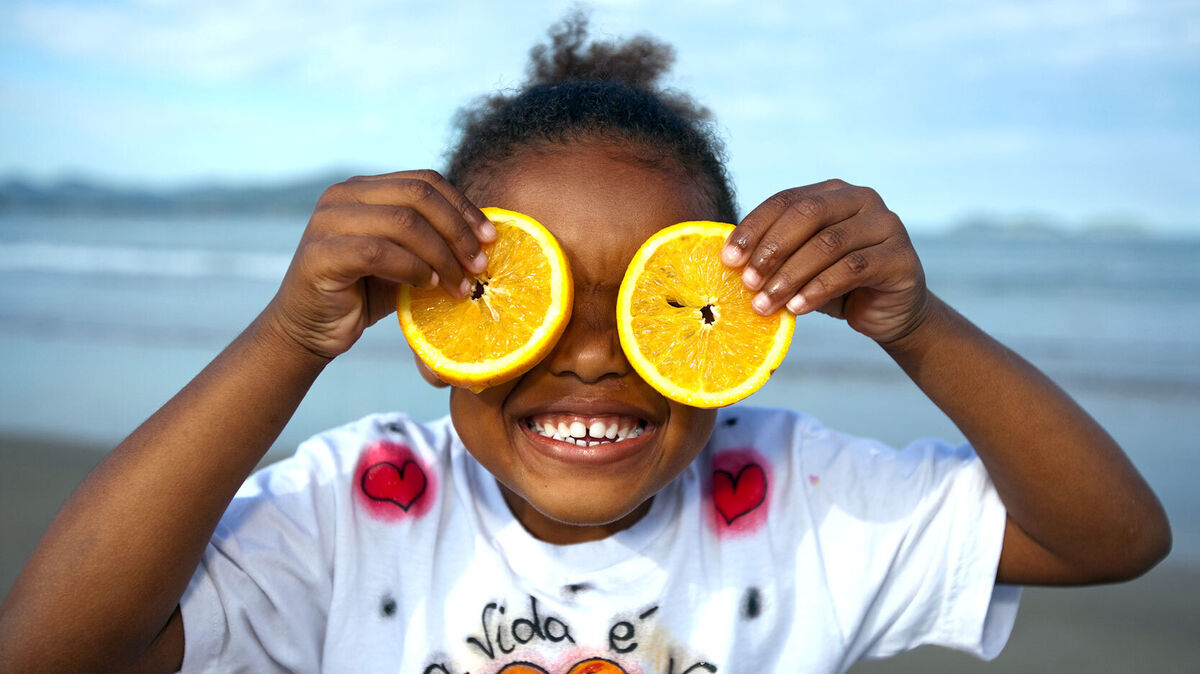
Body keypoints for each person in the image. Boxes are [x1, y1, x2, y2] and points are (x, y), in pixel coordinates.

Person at [0, 14, 1170, 674]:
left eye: (654, 309)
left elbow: (1112, 536)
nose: (595, 354)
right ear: (437, 316)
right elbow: (53, 651)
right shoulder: (359, 507)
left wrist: (916, 325)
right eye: (539, 303)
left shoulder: (809, 502)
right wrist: (287, 338)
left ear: (738, 323)